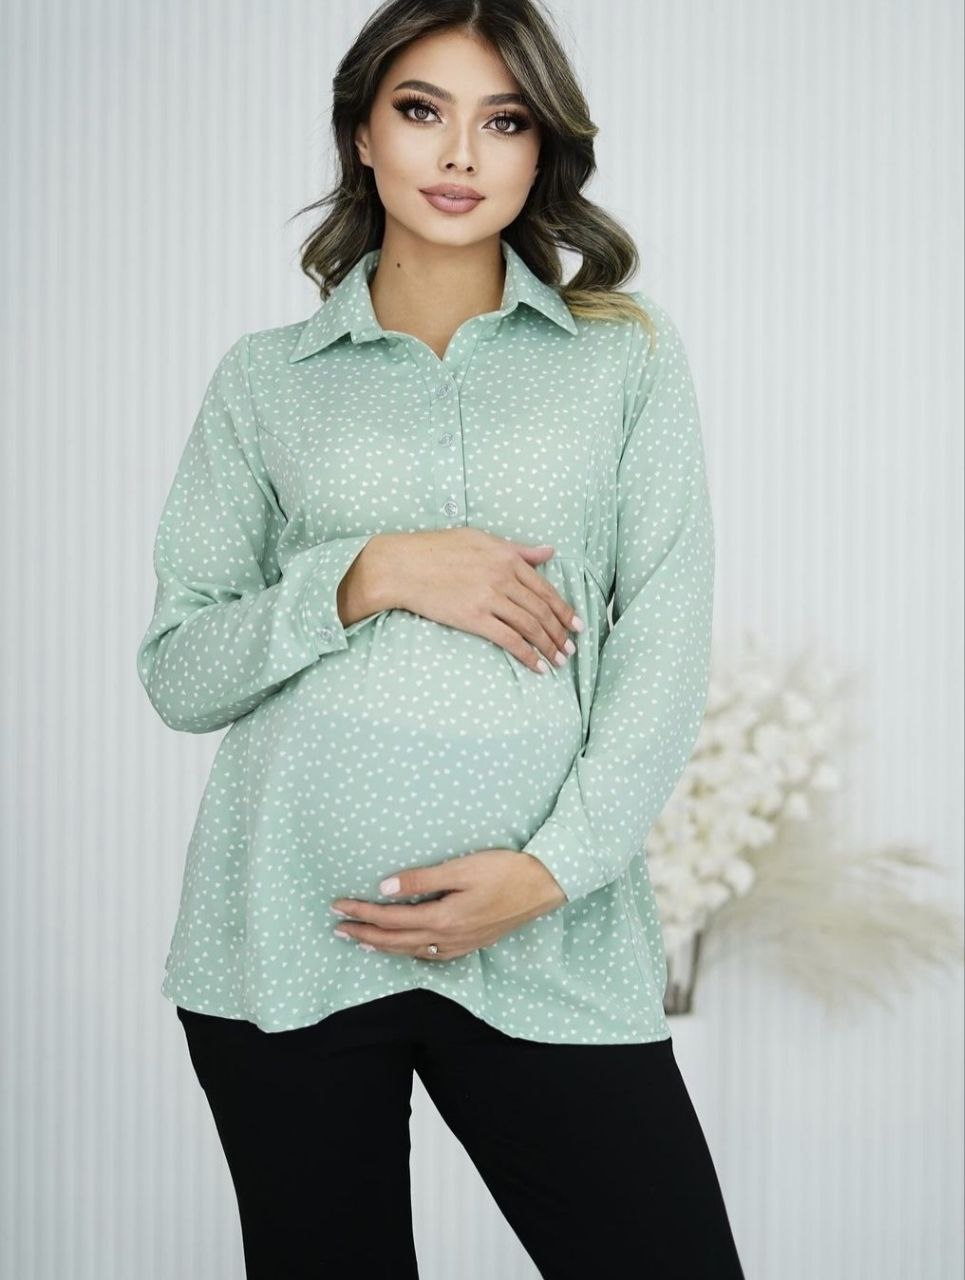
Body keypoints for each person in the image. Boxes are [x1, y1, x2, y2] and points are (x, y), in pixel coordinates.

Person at [136, 1, 746, 1276]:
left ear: (541, 149)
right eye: (422, 111)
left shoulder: (620, 355)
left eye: (503, 120)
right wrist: (366, 572)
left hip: (547, 931)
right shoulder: (266, 378)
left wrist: (551, 870)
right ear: (362, 133)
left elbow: (663, 637)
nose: (460, 153)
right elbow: (180, 670)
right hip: (291, 933)